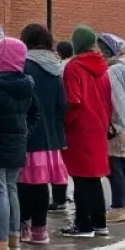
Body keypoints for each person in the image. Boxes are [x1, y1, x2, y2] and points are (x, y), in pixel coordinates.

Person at [0, 37, 40, 250]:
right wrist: (24, 131)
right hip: (18, 144)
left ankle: (0, 239)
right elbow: (36, 113)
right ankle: (14, 236)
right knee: (11, 188)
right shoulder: (27, 83)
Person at [60, 25, 112, 238]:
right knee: (94, 177)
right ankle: (99, 222)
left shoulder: (74, 66)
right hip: (99, 125)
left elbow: (73, 100)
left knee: (81, 177)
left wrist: (65, 123)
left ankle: (83, 224)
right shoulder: (103, 68)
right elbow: (109, 100)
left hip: (80, 127)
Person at [17, 23, 67, 245]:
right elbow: (62, 105)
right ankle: (40, 230)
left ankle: (23, 227)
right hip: (51, 137)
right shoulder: (55, 69)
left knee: (24, 184)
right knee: (41, 185)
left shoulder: (24, 66)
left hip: (29, 135)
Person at [97, 33, 125, 224]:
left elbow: (117, 100)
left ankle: (117, 207)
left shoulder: (113, 71)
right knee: (122, 166)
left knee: (115, 168)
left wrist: (115, 123)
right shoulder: (123, 68)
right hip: (123, 124)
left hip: (115, 126)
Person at [50, 39, 75, 210]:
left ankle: (60, 197)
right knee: (62, 163)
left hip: (59, 121)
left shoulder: (60, 69)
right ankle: (63, 195)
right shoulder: (74, 65)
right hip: (67, 120)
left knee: (57, 161)